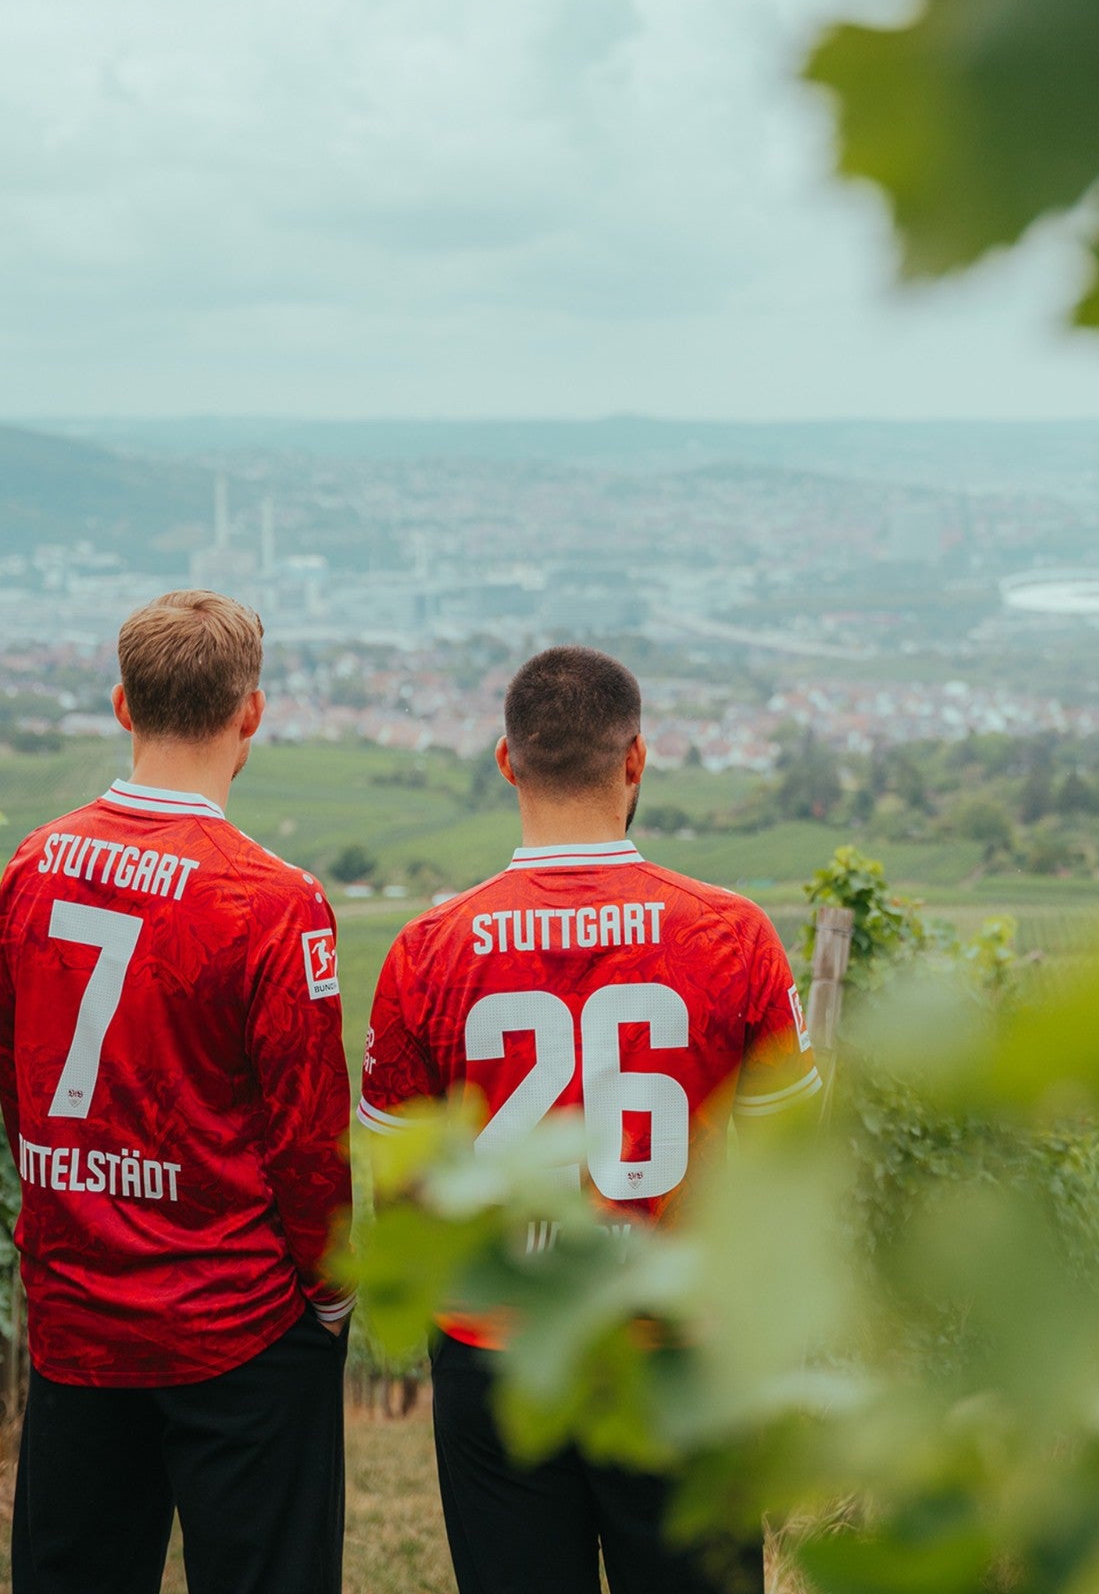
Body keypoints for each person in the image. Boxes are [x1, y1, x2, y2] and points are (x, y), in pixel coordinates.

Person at [358, 645, 821, 1594]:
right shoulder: (730, 935)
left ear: (505, 761)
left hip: (500, 1351)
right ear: (636, 760)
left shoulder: (426, 952)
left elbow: (396, 1181)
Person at [0, 590, 354, 1594]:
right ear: (252, 713)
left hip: (77, 1314)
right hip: (236, 1321)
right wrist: (329, 1300)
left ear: (121, 704)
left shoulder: (33, 866)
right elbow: (309, 1142)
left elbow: (15, 1075)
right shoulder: (274, 902)